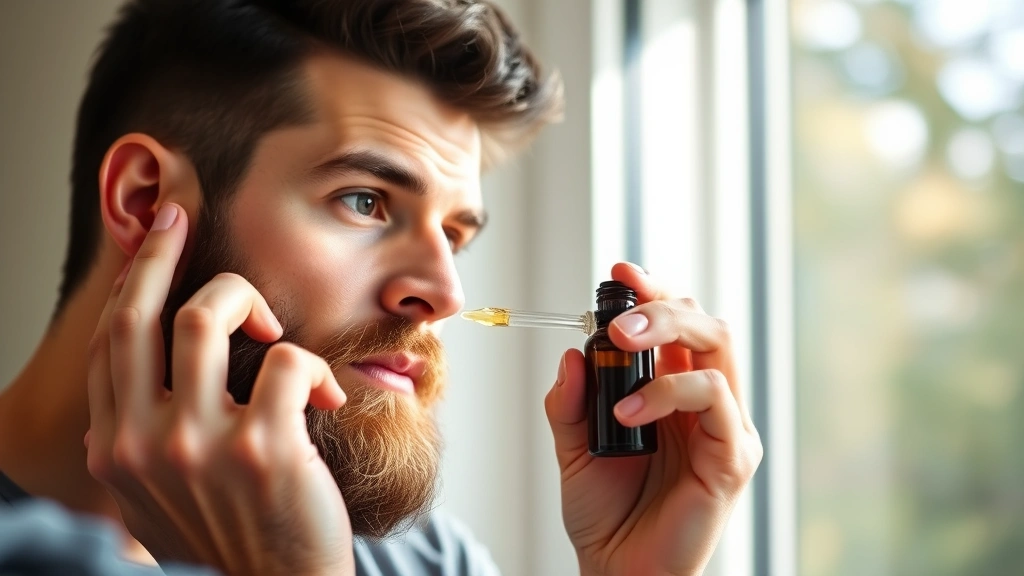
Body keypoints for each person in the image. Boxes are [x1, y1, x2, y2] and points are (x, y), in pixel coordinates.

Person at [0, 0, 763, 574]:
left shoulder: (428, 561)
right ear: (144, 203)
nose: (445, 293)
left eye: (456, 234)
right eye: (365, 200)